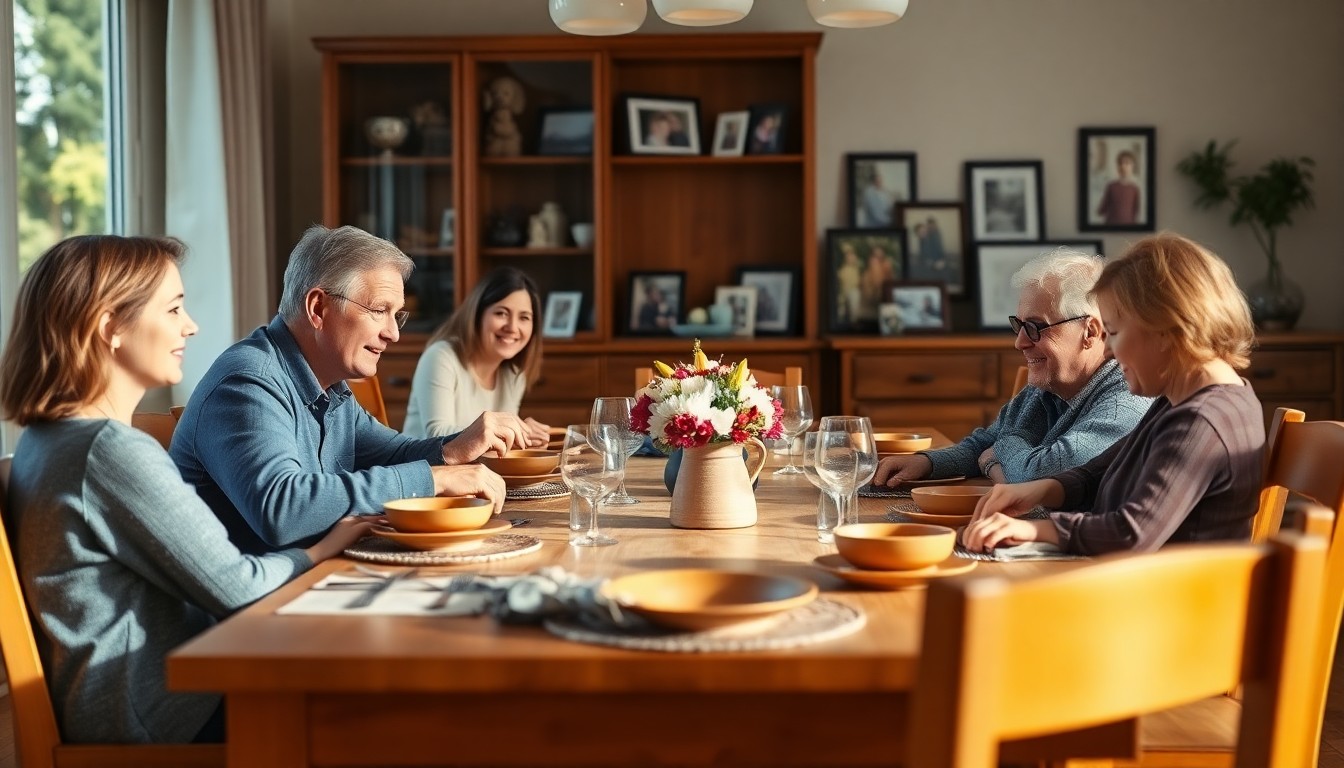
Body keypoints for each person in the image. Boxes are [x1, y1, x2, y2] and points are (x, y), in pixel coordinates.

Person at [0, 235, 374, 744]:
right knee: (375, 715)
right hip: (162, 718)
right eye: (174, 308)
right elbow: (237, 588)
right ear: (110, 326)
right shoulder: (106, 450)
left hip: (145, 702)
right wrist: (321, 549)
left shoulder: (49, 438)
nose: (191, 325)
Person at [172, 225, 520, 556]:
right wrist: (434, 479)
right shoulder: (248, 382)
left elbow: (392, 454)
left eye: (396, 315)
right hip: (255, 610)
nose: (393, 334)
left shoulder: (329, 385)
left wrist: (455, 449)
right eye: (379, 310)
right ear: (318, 308)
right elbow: (283, 509)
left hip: (309, 583)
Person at [963, 234, 1264, 555]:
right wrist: (1042, 489)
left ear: (1165, 329)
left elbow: (1131, 531)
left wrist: (1031, 529)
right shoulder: (1184, 399)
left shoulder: (1202, 420)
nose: (1106, 348)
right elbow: (1105, 468)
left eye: (1115, 332)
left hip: (1168, 596)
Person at [875, 249, 1150, 487]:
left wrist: (1001, 453)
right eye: (1019, 326)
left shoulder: (1127, 400)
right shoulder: (1049, 386)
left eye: (1034, 327)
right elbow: (986, 443)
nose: (1019, 342)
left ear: (1090, 332)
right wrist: (926, 463)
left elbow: (1042, 478)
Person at [403, 267, 550, 442]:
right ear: (477, 314)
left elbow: (499, 448)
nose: (512, 327)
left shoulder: (514, 375)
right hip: (426, 467)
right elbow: (437, 435)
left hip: (477, 469)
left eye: (524, 317)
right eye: (501, 313)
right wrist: (507, 429)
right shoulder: (441, 357)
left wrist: (521, 434)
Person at [1097, 149, 1141, 225]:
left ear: (1132, 166)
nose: (1123, 166)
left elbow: (1135, 212)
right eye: (1120, 163)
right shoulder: (1111, 186)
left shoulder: (1134, 189)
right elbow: (1102, 210)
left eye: (1127, 163)